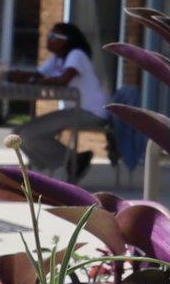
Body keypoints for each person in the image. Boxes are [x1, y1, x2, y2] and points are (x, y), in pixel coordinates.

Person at [9, 23, 109, 182]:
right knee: (17, 134)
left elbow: (64, 80)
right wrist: (20, 75)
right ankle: (64, 164)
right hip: (75, 110)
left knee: (29, 134)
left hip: (90, 112)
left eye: (53, 37)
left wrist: (34, 80)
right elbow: (38, 75)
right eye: (49, 36)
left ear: (66, 40)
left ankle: (69, 162)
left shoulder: (76, 54)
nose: (48, 40)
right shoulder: (57, 59)